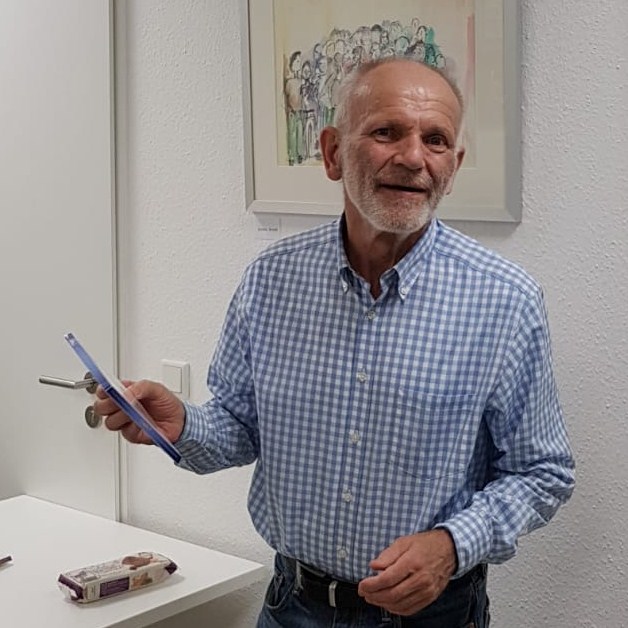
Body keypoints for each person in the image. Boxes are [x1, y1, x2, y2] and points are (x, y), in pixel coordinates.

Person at [95, 57, 575, 627]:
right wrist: (182, 426)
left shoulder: (505, 300)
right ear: (332, 153)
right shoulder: (272, 280)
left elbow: (542, 471)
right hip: (293, 604)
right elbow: (240, 427)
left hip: (433, 615)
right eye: (386, 131)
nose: (414, 157)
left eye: (436, 140)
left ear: (454, 167)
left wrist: (452, 545)